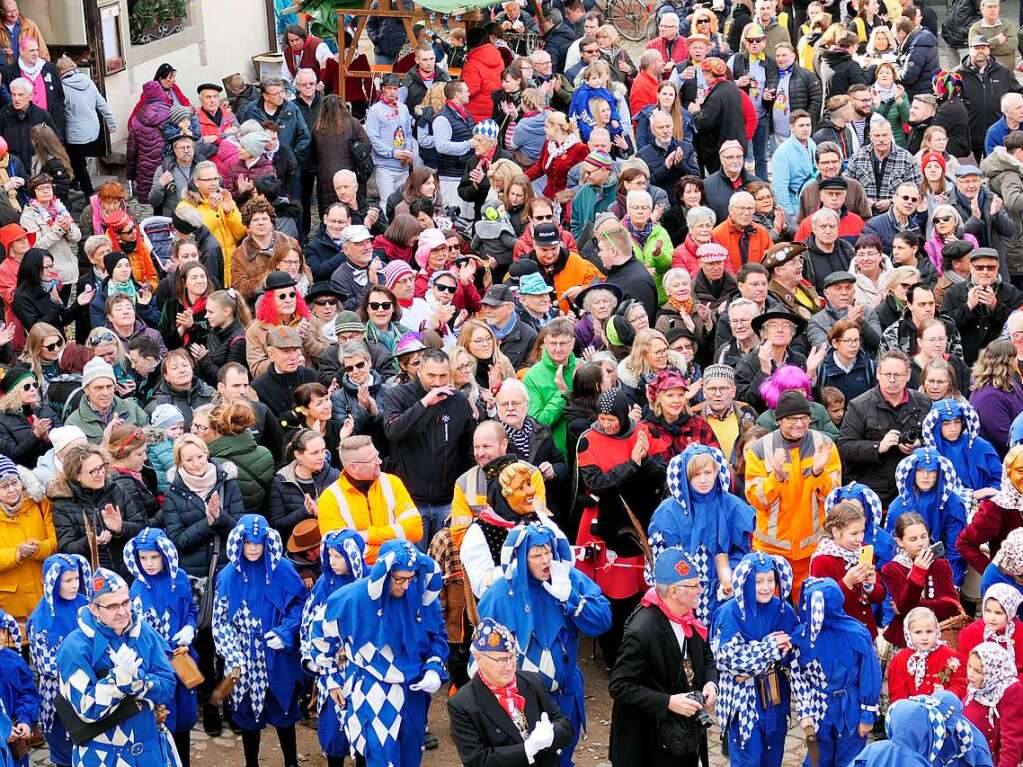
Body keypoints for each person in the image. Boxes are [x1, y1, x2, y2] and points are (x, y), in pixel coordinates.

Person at [476, 523, 610, 766]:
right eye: (536, 555)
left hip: (565, 694)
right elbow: (482, 648)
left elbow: (603, 621)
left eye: (548, 551)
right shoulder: (500, 593)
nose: (545, 560)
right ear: (521, 557)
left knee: (563, 757)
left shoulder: (569, 579)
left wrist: (572, 598)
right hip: (522, 701)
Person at [310, 539, 446, 767]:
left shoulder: (420, 595)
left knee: (411, 755)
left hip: (413, 690)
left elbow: (437, 636)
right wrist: (331, 679)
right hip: (370, 689)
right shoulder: (352, 598)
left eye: (411, 578)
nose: (405, 585)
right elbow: (320, 636)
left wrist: (433, 667)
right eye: (400, 579)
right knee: (378, 757)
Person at [608, 547, 719, 767]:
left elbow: (706, 655)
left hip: (681, 737)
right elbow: (619, 686)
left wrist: (710, 682)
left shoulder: (688, 615)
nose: (700, 590)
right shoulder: (642, 630)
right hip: (647, 742)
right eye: (694, 585)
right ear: (674, 592)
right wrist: (668, 702)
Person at [56, 566, 178, 766]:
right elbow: (86, 708)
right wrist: (118, 681)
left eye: (125, 602)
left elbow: (168, 685)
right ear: (94, 609)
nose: (122, 612)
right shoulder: (74, 646)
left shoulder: (144, 632)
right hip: (102, 756)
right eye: (112, 606)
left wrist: (140, 681)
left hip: (150, 752)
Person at [212, 515, 306, 767]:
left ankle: (291, 763)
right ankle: (251, 763)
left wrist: (285, 632)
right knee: (246, 715)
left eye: (259, 543)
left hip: (278, 657)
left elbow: (300, 606)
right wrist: (233, 653)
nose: (253, 548)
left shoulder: (283, 569)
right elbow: (220, 620)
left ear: (268, 542)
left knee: (284, 711)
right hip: (243, 657)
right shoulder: (227, 576)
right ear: (238, 543)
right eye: (247, 542)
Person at [744, 391, 841, 599]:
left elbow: (834, 497)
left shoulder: (824, 446)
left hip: (813, 549)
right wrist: (776, 478)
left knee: (808, 608)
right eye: (792, 419)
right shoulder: (760, 449)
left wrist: (818, 473)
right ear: (779, 421)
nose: (799, 423)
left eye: (804, 418)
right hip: (771, 552)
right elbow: (756, 498)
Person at [447, 617, 575, 767]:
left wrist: (552, 734)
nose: (509, 667)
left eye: (512, 657)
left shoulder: (533, 682)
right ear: (479, 659)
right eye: (501, 660)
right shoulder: (462, 704)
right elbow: (477, 760)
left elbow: (566, 726)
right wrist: (527, 749)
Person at [649, 445, 754, 622]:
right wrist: (680, 585)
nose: (703, 480)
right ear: (685, 477)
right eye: (696, 475)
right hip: (681, 595)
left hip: (723, 593)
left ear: (717, 472)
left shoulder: (732, 506)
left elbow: (745, 550)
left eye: (708, 472)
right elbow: (660, 558)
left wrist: (731, 575)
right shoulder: (668, 511)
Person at [711, 553, 798, 767]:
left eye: (770, 580)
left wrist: (786, 651)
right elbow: (727, 659)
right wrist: (768, 648)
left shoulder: (783, 610)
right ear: (747, 581)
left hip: (776, 697)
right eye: (759, 581)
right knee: (747, 758)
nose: (766, 587)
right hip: (744, 701)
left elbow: (795, 652)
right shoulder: (729, 613)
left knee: (773, 757)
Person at [122, 528, 199, 765]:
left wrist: (190, 627)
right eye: (143, 558)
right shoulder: (136, 588)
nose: (149, 563)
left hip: (181, 658)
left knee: (184, 719)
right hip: (154, 667)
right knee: (160, 720)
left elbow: (191, 611)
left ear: (165, 555)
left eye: (154, 557)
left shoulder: (181, 579)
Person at [790, 577, 882, 767]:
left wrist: (866, 714)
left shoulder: (856, 634)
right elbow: (799, 676)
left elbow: (870, 676)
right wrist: (806, 710)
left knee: (850, 759)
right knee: (817, 759)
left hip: (851, 707)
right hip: (819, 708)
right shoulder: (802, 637)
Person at [838, 350, 931, 504]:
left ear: (908, 375)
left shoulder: (923, 402)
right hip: (874, 490)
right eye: (887, 374)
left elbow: (936, 440)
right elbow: (844, 447)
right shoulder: (859, 405)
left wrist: (919, 445)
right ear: (878, 374)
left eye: (898, 375)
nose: (892, 380)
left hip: (915, 485)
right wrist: (878, 446)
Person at [27, 553, 91, 767]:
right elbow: (47, 666)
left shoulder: (86, 606)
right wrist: (84, 665)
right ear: (53, 582)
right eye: (68, 580)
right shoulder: (40, 618)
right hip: (58, 697)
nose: (75, 585)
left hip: (91, 690)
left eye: (77, 579)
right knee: (65, 754)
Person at [880, 511, 961, 648]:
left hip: (940, 633)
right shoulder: (891, 569)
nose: (921, 543)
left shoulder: (940, 564)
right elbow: (907, 609)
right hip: (906, 640)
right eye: (913, 539)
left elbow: (951, 606)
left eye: (924, 537)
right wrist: (918, 573)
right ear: (900, 542)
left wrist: (916, 606)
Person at [808, 501, 886, 637]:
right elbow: (822, 605)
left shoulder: (864, 551)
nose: (860, 538)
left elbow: (879, 597)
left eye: (862, 531)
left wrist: (869, 585)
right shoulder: (822, 560)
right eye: (854, 533)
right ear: (836, 532)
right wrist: (847, 583)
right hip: (840, 637)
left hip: (866, 632)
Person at [921, 398, 1001, 501]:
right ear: (937, 425)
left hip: (987, 506)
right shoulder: (930, 455)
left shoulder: (981, 446)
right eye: (946, 424)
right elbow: (931, 491)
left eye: (957, 422)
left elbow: (1000, 478)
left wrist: (987, 496)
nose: (953, 429)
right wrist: (971, 496)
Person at [963, 642, 1023, 767]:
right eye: (969, 666)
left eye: (978, 671)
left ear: (993, 671)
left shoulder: (1008, 690)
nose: (970, 674)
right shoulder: (976, 686)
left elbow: (1011, 739)